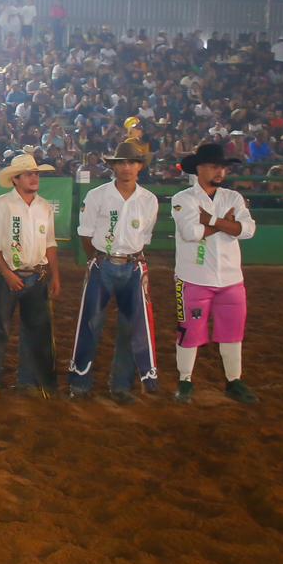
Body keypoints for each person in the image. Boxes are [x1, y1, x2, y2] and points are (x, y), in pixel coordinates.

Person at [67, 141, 160, 404]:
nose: (126, 167)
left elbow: (143, 238)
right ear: (114, 166)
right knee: (91, 323)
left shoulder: (149, 201)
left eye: (131, 162)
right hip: (103, 264)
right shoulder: (97, 196)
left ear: (140, 166)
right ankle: (80, 383)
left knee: (130, 328)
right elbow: (85, 234)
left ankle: (120, 385)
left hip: (132, 265)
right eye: (121, 163)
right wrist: (96, 258)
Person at [170, 143, 258, 404]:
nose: (220, 171)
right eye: (214, 166)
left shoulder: (232, 198)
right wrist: (227, 224)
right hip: (194, 277)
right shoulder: (183, 198)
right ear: (199, 168)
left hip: (229, 278)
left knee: (232, 332)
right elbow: (190, 233)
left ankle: (232, 380)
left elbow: (248, 230)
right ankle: (185, 379)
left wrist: (210, 221)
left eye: (222, 166)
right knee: (189, 331)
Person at [0, 152, 61, 398]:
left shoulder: (44, 207)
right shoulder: (2, 205)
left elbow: (50, 244)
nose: (34, 178)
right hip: (9, 276)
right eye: (28, 174)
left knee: (37, 332)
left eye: (35, 174)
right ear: (16, 179)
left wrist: (55, 275)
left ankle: (29, 382)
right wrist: (6, 273)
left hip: (37, 275)